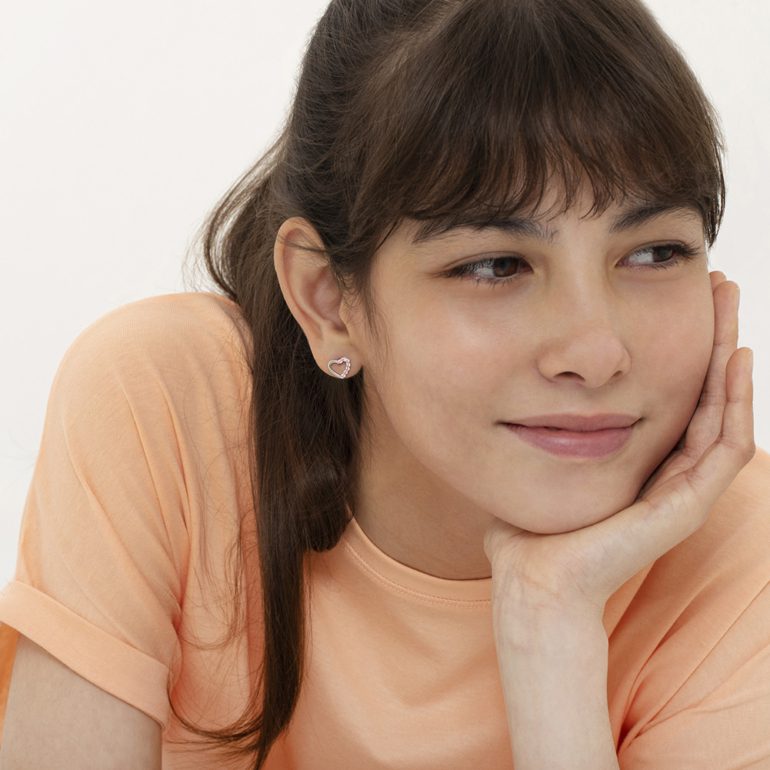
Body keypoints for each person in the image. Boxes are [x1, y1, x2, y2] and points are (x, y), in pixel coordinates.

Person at [0, 0, 768, 767]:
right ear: (329, 302)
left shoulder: (741, 557)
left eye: (655, 253)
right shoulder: (166, 413)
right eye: (495, 265)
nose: (597, 353)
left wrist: (552, 623)